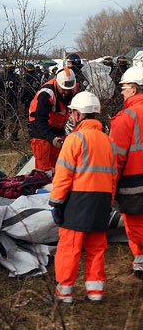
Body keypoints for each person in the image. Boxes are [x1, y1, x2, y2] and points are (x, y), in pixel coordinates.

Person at [49, 91, 118, 303]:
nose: (70, 116)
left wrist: (56, 201)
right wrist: (109, 201)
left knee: (69, 248)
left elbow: (63, 173)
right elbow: (113, 175)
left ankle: (64, 294)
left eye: (72, 113)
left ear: (78, 114)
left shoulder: (74, 139)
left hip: (77, 200)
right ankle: (95, 293)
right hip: (102, 200)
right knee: (96, 248)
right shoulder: (108, 141)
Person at [108, 66, 143, 286]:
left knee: (136, 227)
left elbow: (114, 161)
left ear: (135, 89)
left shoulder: (126, 117)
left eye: (124, 88)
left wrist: (108, 194)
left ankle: (140, 271)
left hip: (134, 183)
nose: (121, 92)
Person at [28, 67, 77, 174]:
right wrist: (51, 138)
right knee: (43, 161)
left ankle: (56, 181)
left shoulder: (72, 89)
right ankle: (43, 182)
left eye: (68, 90)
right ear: (57, 83)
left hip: (58, 126)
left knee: (59, 161)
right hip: (40, 126)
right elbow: (40, 121)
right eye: (63, 89)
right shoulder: (46, 94)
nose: (66, 93)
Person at [0, 62, 20, 141]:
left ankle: (1, 134)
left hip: (4, 100)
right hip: (13, 100)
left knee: (2, 117)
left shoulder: (2, 77)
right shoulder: (16, 77)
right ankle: (14, 135)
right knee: (14, 118)